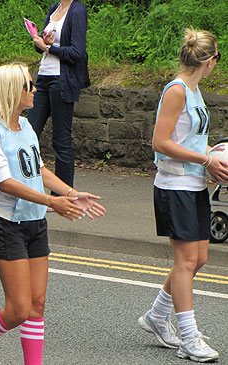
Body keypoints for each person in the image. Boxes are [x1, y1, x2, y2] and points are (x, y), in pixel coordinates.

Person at [0, 62, 105, 364]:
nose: (35, 90)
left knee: (37, 304)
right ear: (11, 91)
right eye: (29, 85)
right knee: (18, 309)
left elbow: (39, 169)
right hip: (7, 224)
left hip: (35, 221)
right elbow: (4, 183)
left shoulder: (26, 125)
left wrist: (70, 194)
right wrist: (53, 202)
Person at [137, 29, 222, 362]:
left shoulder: (195, 90)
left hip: (195, 184)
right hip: (175, 187)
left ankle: (157, 317)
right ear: (211, 60)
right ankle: (189, 338)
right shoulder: (176, 91)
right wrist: (205, 159)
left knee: (197, 259)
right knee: (186, 262)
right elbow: (160, 142)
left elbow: (188, 139)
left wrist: (212, 152)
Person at [28, 0, 89, 192]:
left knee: (60, 139)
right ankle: (26, 185)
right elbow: (42, 48)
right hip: (43, 78)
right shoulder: (54, 8)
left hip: (62, 80)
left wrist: (49, 48)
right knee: (28, 132)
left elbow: (77, 52)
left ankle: (63, 193)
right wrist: (42, 41)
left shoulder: (77, 10)